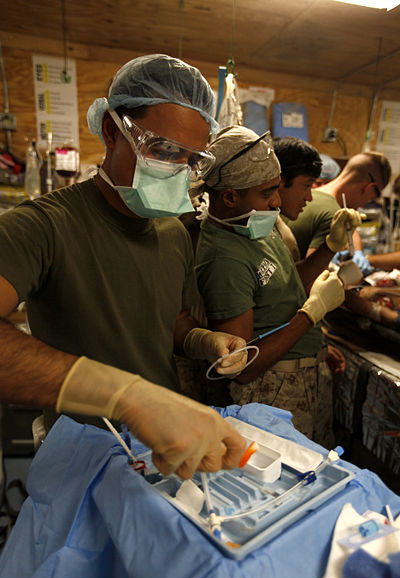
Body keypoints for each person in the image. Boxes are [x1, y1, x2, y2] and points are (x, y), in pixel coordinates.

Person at [0, 54, 251, 480]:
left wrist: (203, 341)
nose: (176, 169)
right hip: (81, 451)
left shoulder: (172, 233)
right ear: (112, 132)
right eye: (164, 150)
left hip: (160, 447)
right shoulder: (42, 227)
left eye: (191, 159)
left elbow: (165, 322)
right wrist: (127, 397)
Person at [194, 126, 360, 446]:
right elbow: (242, 366)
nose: (277, 202)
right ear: (229, 197)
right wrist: (310, 315)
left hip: (304, 377)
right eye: (267, 192)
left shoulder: (255, 225)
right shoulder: (223, 258)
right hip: (273, 391)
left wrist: (330, 246)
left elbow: (284, 286)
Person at [273, 136, 349, 374]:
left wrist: (330, 247)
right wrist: (311, 312)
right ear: (279, 179)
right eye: (306, 186)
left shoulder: (277, 227)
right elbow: (274, 300)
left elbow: (291, 280)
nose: (309, 197)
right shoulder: (255, 232)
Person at [286, 152, 392, 276]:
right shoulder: (333, 214)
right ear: (368, 188)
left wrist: (357, 252)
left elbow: (348, 226)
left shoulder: (311, 195)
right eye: (370, 199)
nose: (363, 205)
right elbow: (313, 283)